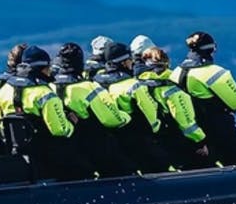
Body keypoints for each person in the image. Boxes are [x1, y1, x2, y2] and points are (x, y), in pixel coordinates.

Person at [0, 45, 89, 180]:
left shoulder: (5, 89)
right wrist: (71, 123)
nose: (50, 70)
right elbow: (60, 130)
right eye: (48, 67)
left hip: (16, 153)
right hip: (47, 154)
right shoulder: (45, 94)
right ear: (41, 69)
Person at [52, 43, 133, 178]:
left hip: (63, 151)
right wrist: (126, 117)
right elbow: (111, 120)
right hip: (93, 148)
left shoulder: (50, 86)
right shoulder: (88, 87)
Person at [170, 31, 236, 165]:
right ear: (212, 49)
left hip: (193, 130)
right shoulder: (216, 73)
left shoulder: (176, 72)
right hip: (219, 126)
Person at [94, 42, 171, 174]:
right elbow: (150, 114)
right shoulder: (133, 85)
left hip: (109, 142)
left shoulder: (96, 82)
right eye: (130, 59)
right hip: (137, 139)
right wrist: (158, 129)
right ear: (124, 62)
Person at [138, 47, 211, 168]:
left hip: (149, 140)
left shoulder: (138, 84)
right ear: (167, 62)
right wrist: (200, 141)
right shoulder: (172, 88)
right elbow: (185, 121)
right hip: (174, 138)